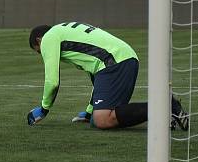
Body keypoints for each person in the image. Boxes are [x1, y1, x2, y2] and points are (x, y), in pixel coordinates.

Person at [26, 22, 188, 131]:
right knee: (100, 118)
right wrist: (89, 111)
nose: (41, 53)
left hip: (114, 62)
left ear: (39, 40)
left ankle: (165, 106)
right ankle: (165, 115)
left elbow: (52, 81)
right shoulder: (64, 31)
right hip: (125, 59)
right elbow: (94, 74)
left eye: (38, 50)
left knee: (103, 119)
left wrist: (44, 109)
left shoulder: (49, 38)